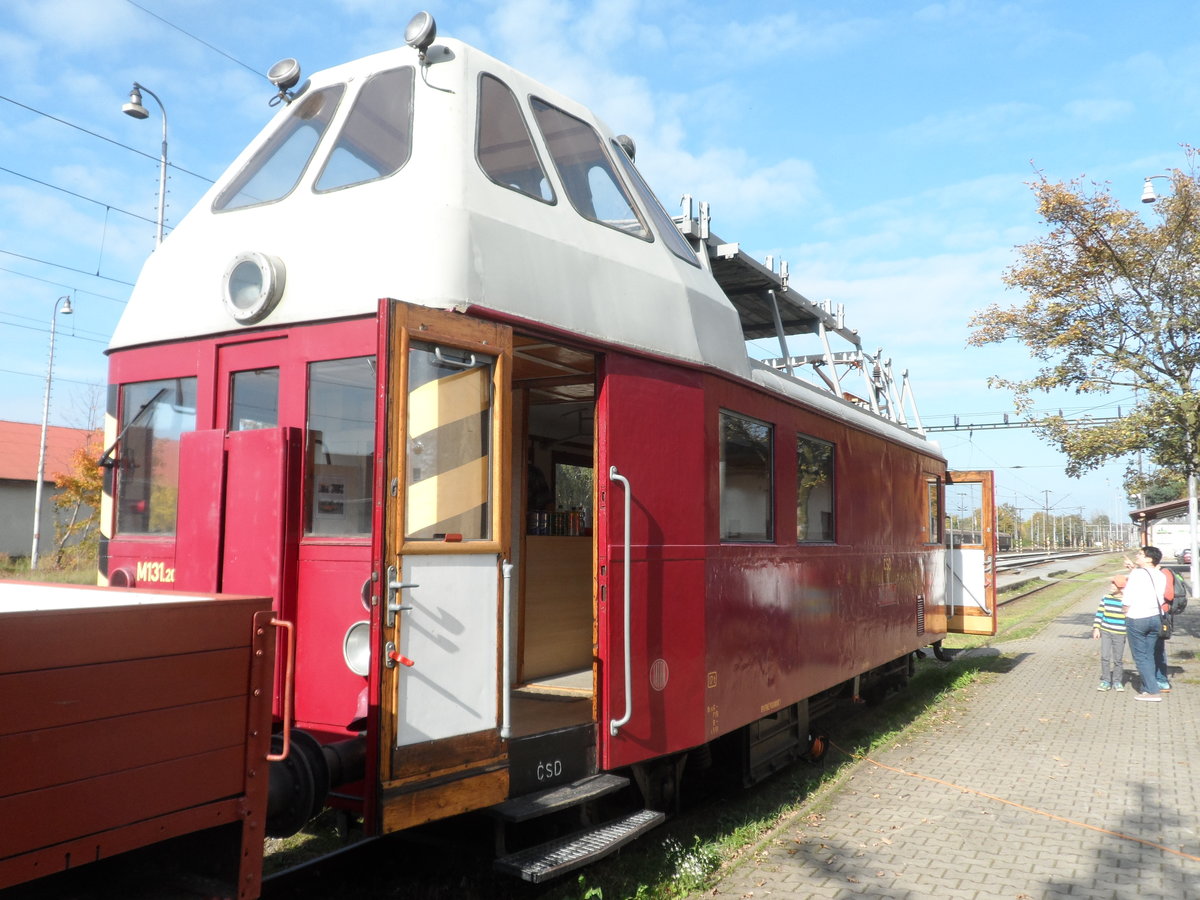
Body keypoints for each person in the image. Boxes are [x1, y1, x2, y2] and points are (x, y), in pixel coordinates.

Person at [1122, 546, 1168, 701]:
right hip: (1156, 617)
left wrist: (1125, 611)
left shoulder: (1136, 574)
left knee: (1141, 656)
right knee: (1149, 654)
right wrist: (1133, 569)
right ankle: (1148, 685)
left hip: (1137, 618)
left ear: (1149, 559)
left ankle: (1152, 691)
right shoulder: (1160, 575)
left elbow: (1128, 596)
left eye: (1140, 554)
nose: (1137, 555)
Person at [1092, 575, 1127, 692]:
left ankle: (1117, 681)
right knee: (1105, 657)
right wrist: (1096, 628)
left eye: (1114, 584)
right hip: (1106, 631)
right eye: (1111, 583)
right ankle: (1106, 680)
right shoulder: (1105, 598)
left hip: (1120, 632)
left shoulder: (1126, 600)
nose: (1111, 586)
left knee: (1118, 658)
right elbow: (1099, 613)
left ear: (1121, 587)